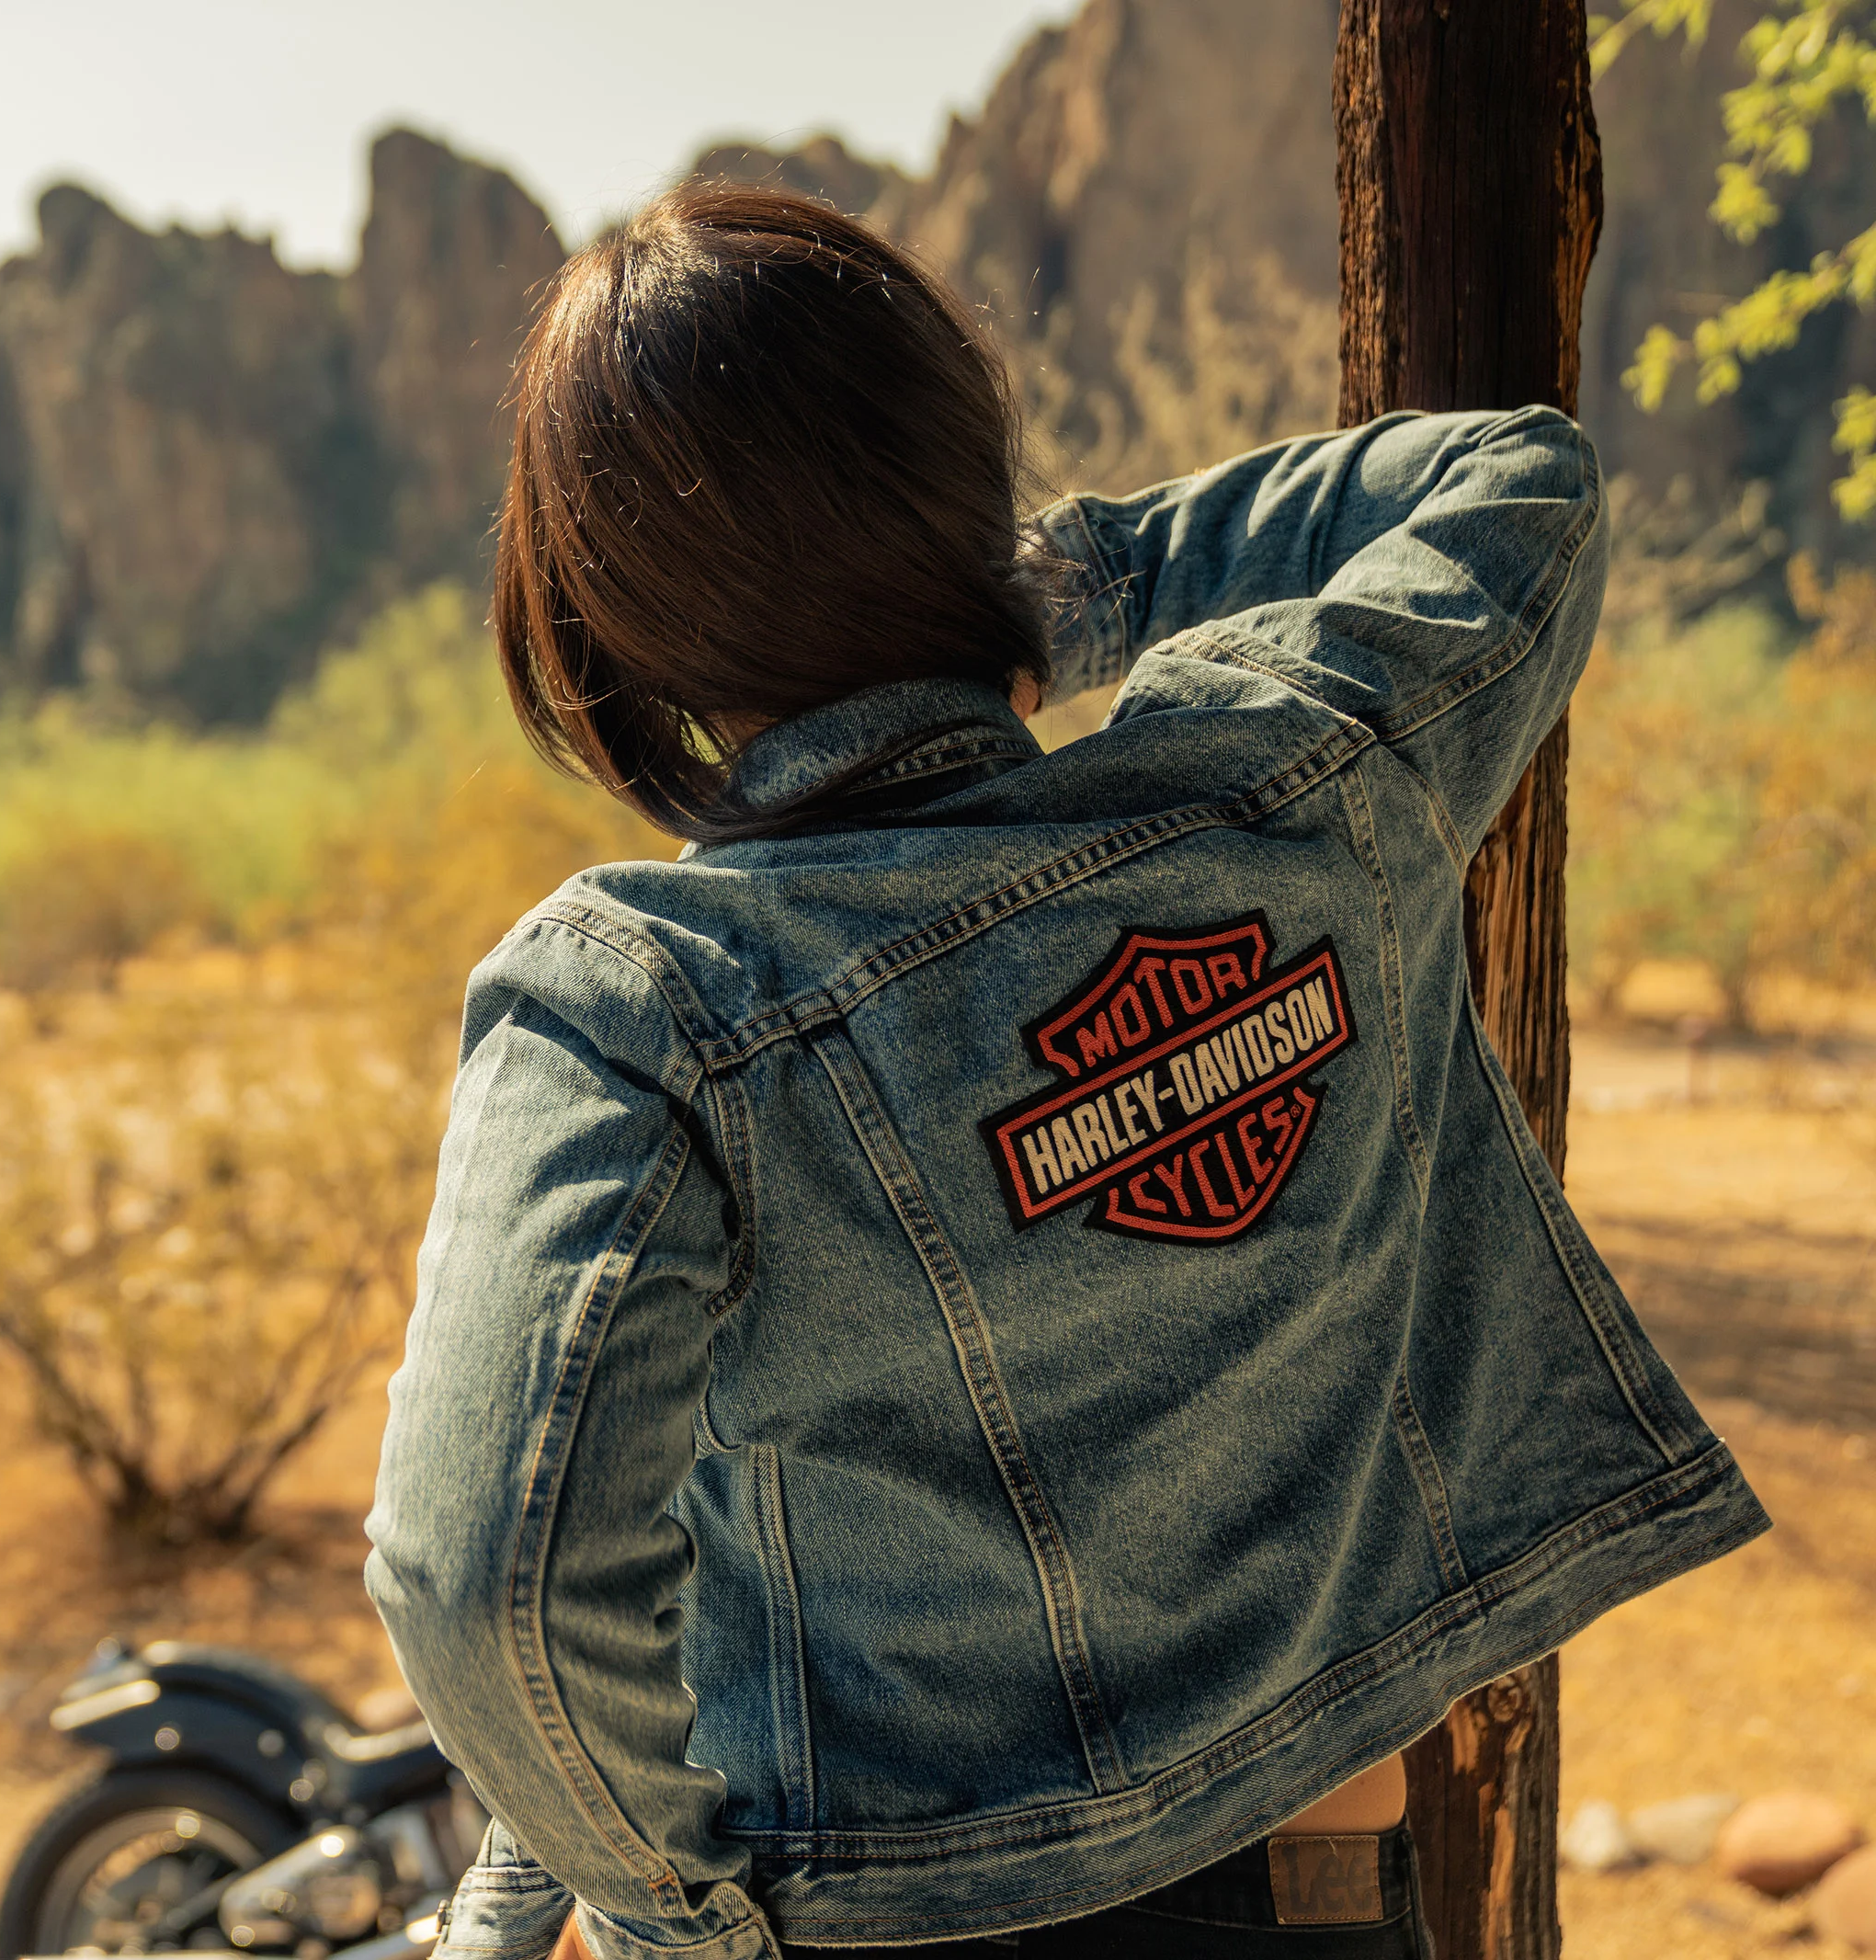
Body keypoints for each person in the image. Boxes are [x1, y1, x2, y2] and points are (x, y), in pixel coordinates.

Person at [365, 185, 1768, 1960]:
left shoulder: (648, 997)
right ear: (965, 475)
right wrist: (1055, 589)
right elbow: (1515, 481)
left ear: (603, 623)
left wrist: (678, 1921)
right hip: (1328, 1885)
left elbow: (480, 1576)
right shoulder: (1303, 783)